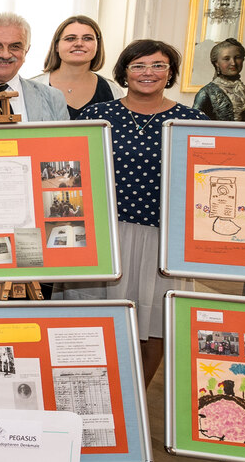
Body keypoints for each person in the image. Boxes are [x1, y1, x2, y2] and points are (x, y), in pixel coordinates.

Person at [61, 40, 207, 384]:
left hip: (163, 237)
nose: (148, 73)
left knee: (154, 320)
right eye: (139, 65)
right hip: (104, 234)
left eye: (158, 65)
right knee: (95, 318)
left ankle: (136, 396)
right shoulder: (98, 116)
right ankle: (98, 388)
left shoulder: (191, 121)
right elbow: (71, 173)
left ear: (170, 73)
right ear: (123, 71)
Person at [30, 15, 122, 118]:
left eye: (87, 38)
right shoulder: (33, 88)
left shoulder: (113, 91)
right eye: (70, 38)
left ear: (97, 46)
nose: (79, 43)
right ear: (56, 46)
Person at [193, 38, 245, 123]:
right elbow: (195, 121)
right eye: (226, 59)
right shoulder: (206, 92)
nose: (233, 63)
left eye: (238, 57)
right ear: (216, 63)